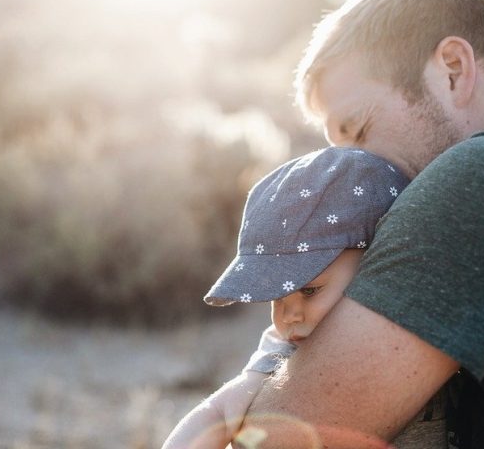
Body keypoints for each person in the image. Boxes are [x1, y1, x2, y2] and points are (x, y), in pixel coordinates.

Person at [237, 0, 484, 449]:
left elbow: (277, 442)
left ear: (453, 69)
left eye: (359, 129)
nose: (349, 170)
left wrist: (249, 387)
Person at [162, 147, 448, 449]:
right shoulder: (286, 351)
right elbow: (219, 411)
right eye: (276, 298)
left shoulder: (427, 317)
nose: (289, 316)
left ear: (376, 262)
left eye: (309, 291)